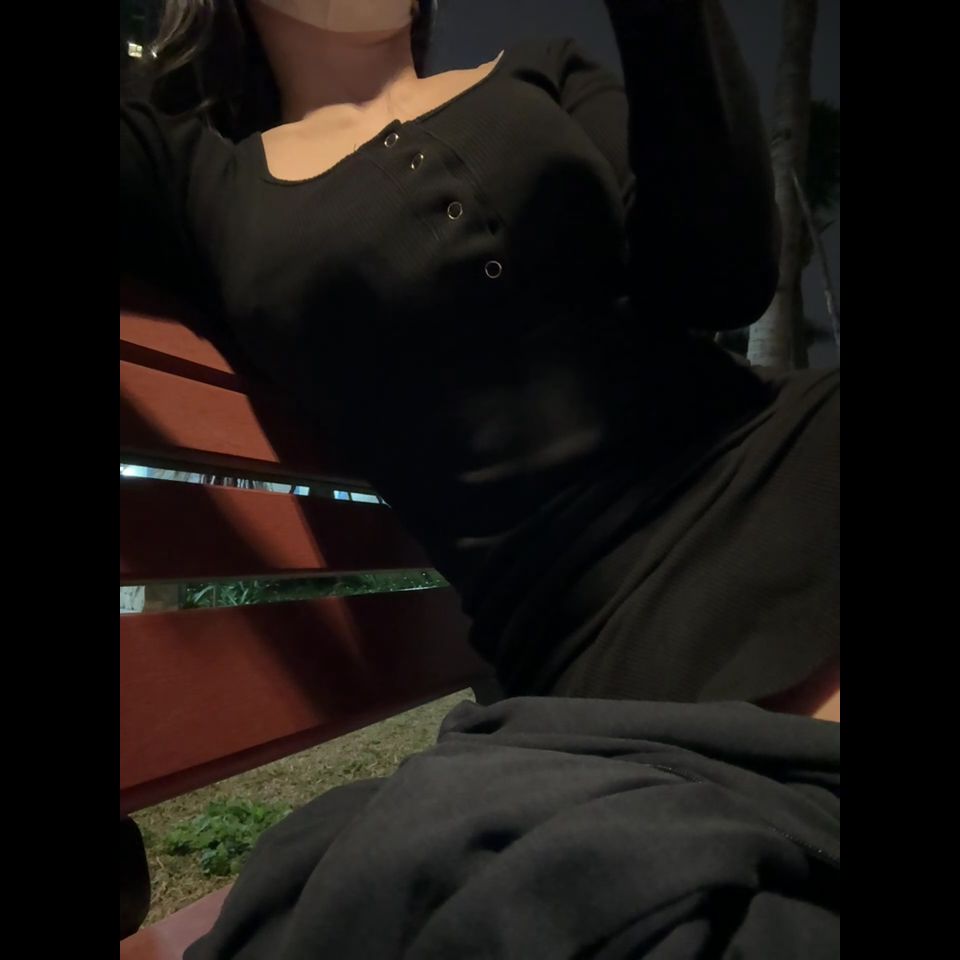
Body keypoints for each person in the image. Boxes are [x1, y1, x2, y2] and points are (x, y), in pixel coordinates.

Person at [121, 3, 840, 955]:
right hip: (600, 629)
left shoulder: (540, 72)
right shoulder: (201, 177)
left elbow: (722, 276)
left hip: (790, 458)